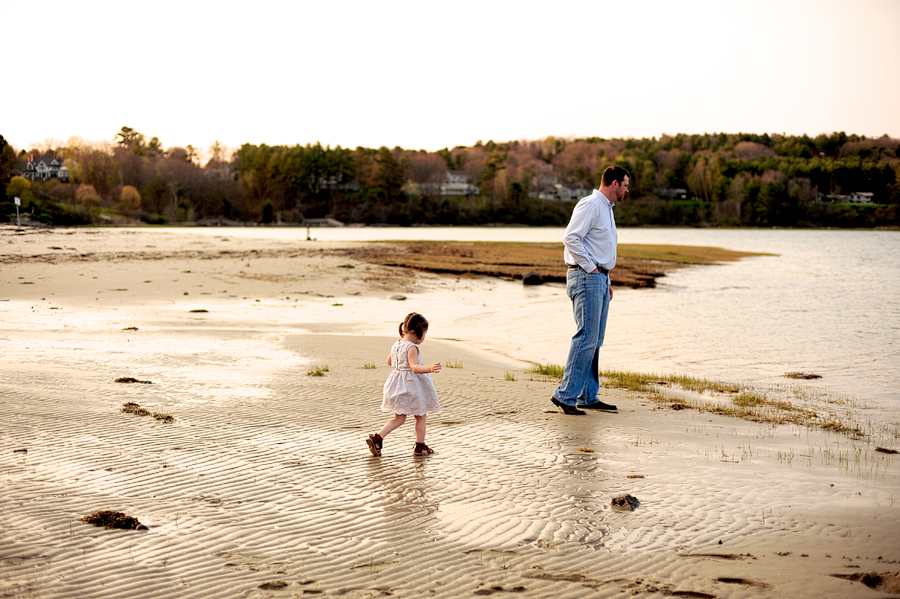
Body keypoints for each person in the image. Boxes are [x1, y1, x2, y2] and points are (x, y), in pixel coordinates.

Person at [551, 165, 630, 415]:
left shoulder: (606, 209)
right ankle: (566, 395)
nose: (627, 190)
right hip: (586, 276)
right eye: (625, 185)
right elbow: (571, 238)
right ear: (614, 183)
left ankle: (587, 395)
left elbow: (599, 246)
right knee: (586, 337)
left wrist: (606, 278)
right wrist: (592, 269)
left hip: (598, 278)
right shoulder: (591, 204)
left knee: (595, 340)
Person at [367, 313, 442, 456]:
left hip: (396, 384)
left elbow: (389, 361)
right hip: (411, 387)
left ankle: (378, 438)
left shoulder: (397, 343)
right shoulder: (412, 347)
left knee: (399, 418)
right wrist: (429, 368)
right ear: (419, 332)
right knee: (421, 416)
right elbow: (414, 367)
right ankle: (420, 446)